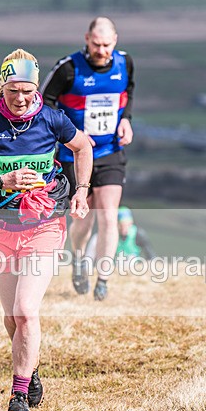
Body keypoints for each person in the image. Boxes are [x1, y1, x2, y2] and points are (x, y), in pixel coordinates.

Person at [0, 49, 93, 411]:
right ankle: (30, 369)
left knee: (26, 311)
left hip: (43, 225)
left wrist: (81, 190)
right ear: (2, 88)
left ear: (35, 89)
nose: (20, 98)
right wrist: (2, 180)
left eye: (28, 91)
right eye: (13, 90)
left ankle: (18, 396)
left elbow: (83, 147)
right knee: (11, 317)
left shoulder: (52, 119)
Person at [41, 16, 135, 302]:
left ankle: (103, 279)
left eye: (107, 44)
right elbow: (44, 103)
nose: (102, 50)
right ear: (86, 39)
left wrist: (126, 120)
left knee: (108, 214)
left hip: (110, 150)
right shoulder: (68, 68)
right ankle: (79, 259)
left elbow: (128, 92)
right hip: (75, 155)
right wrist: (73, 132)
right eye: (96, 44)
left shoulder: (125, 63)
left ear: (115, 41)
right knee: (83, 217)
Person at [85, 206, 156, 262]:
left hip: (131, 270)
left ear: (131, 223)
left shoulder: (138, 234)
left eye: (127, 225)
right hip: (113, 270)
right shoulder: (110, 234)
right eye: (121, 225)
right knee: (95, 238)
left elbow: (151, 256)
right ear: (116, 224)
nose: (124, 228)